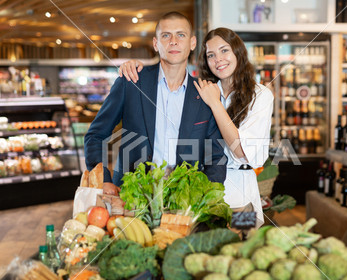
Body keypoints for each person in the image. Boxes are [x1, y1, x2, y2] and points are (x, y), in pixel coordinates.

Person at [119, 28, 274, 227]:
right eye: (211, 55)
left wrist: (215, 104)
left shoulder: (260, 95)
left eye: (224, 51)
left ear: (238, 52)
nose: (218, 59)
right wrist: (137, 67)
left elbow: (241, 151)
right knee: (204, 251)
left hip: (241, 195)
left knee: (241, 245)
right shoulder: (203, 89)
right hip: (201, 191)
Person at [84, 12, 226, 196]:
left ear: (192, 43)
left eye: (180, 35)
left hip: (183, 202)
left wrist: (204, 198)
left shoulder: (205, 94)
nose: (173, 41)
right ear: (155, 43)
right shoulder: (131, 82)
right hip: (130, 197)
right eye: (166, 35)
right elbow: (95, 135)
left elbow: (215, 157)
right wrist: (103, 180)